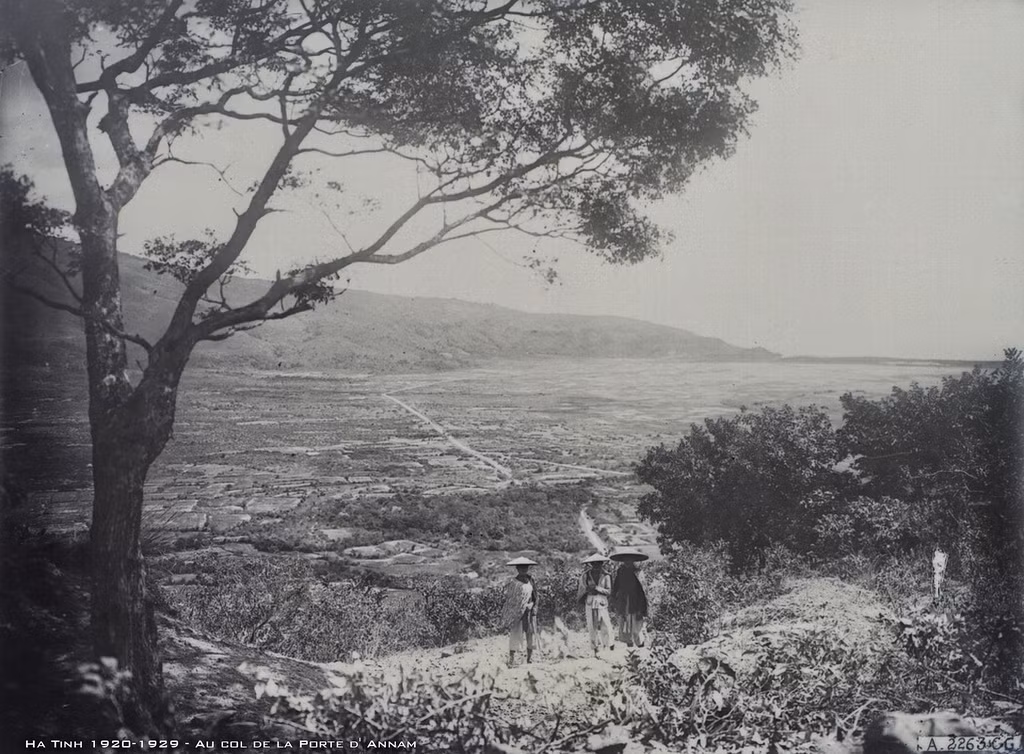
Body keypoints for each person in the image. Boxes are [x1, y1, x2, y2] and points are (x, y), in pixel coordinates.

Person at [501, 557, 538, 666]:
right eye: (521, 568)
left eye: (525, 567)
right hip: (517, 612)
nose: (523, 569)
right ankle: (512, 659)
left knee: (530, 634)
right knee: (515, 634)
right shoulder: (514, 583)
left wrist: (533, 605)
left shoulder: (531, 580)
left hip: (529, 611)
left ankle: (529, 658)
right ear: (517, 568)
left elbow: (535, 596)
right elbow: (510, 599)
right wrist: (519, 607)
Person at [610, 548, 649, 647]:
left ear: (633, 560)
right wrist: (613, 598)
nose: (627, 561)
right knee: (625, 625)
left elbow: (643, 591)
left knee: (636, 626)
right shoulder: (620, 571)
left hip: (636, 602)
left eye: (629, 559)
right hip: (624, 602)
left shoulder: (638, 573)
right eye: (625, 559)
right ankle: (630, 648)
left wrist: (642, 608)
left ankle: (641, 646)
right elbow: (616, 586)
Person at [577, 553, 614, 656]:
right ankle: (595, 648)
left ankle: (607, 646)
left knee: (605, 624)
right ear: (591, 564)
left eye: (599, 564)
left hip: (601, 600)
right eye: (594, 564)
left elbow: (609, 591)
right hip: (590, 600)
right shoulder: (585, 575)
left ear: (602, 564)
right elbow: (582, 588)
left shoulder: (606, 576)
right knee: (592, 625)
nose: (596, 566)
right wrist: (588, 589)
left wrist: (597, 588)